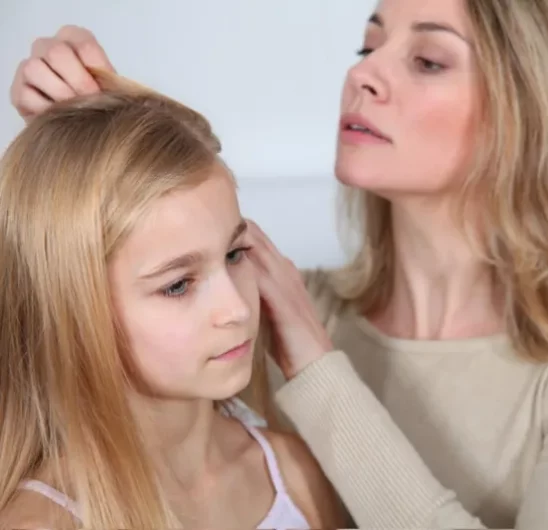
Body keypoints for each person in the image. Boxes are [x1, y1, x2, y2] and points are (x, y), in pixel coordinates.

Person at [9, 0, 548, 528]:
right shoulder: (252, 317)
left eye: (427, 60)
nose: (362, 74)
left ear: (537, 109)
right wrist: (76, 158)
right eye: (368, 45)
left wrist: (313, 361)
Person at [0, 69, 342, 529]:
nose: (238, 309)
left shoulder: (294, 473)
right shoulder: (43, 523)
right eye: (178, 284)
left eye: (235, 253)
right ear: (74, 313)